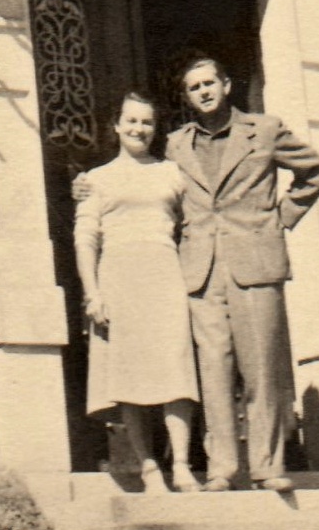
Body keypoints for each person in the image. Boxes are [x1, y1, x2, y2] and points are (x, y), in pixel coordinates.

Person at [168, 57, 319, 494]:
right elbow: (152, 189)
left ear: (226, 85)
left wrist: (281, 218)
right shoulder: (176, 145)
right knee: (213, 371)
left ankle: (266, 466)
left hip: (256, 263)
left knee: (261, 368)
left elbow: (315, 171)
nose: (203, 92)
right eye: (194, 87)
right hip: (201, 271)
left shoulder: (265, 130)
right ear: (186, 97)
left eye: (209, 83)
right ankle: (221, 468)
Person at [73, 90, 200, 494]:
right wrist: (93, 293)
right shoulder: (95, 179)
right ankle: (148, 467)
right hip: (119, 277)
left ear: (155, 128)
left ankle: (181, 465)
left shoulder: (172, 173)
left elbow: (194, 223)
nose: (139, 129)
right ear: (116, 125)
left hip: (165, 274)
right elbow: (85, 238)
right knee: (128, 376)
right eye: (131, 120)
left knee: (175, 369)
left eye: (147, 122)